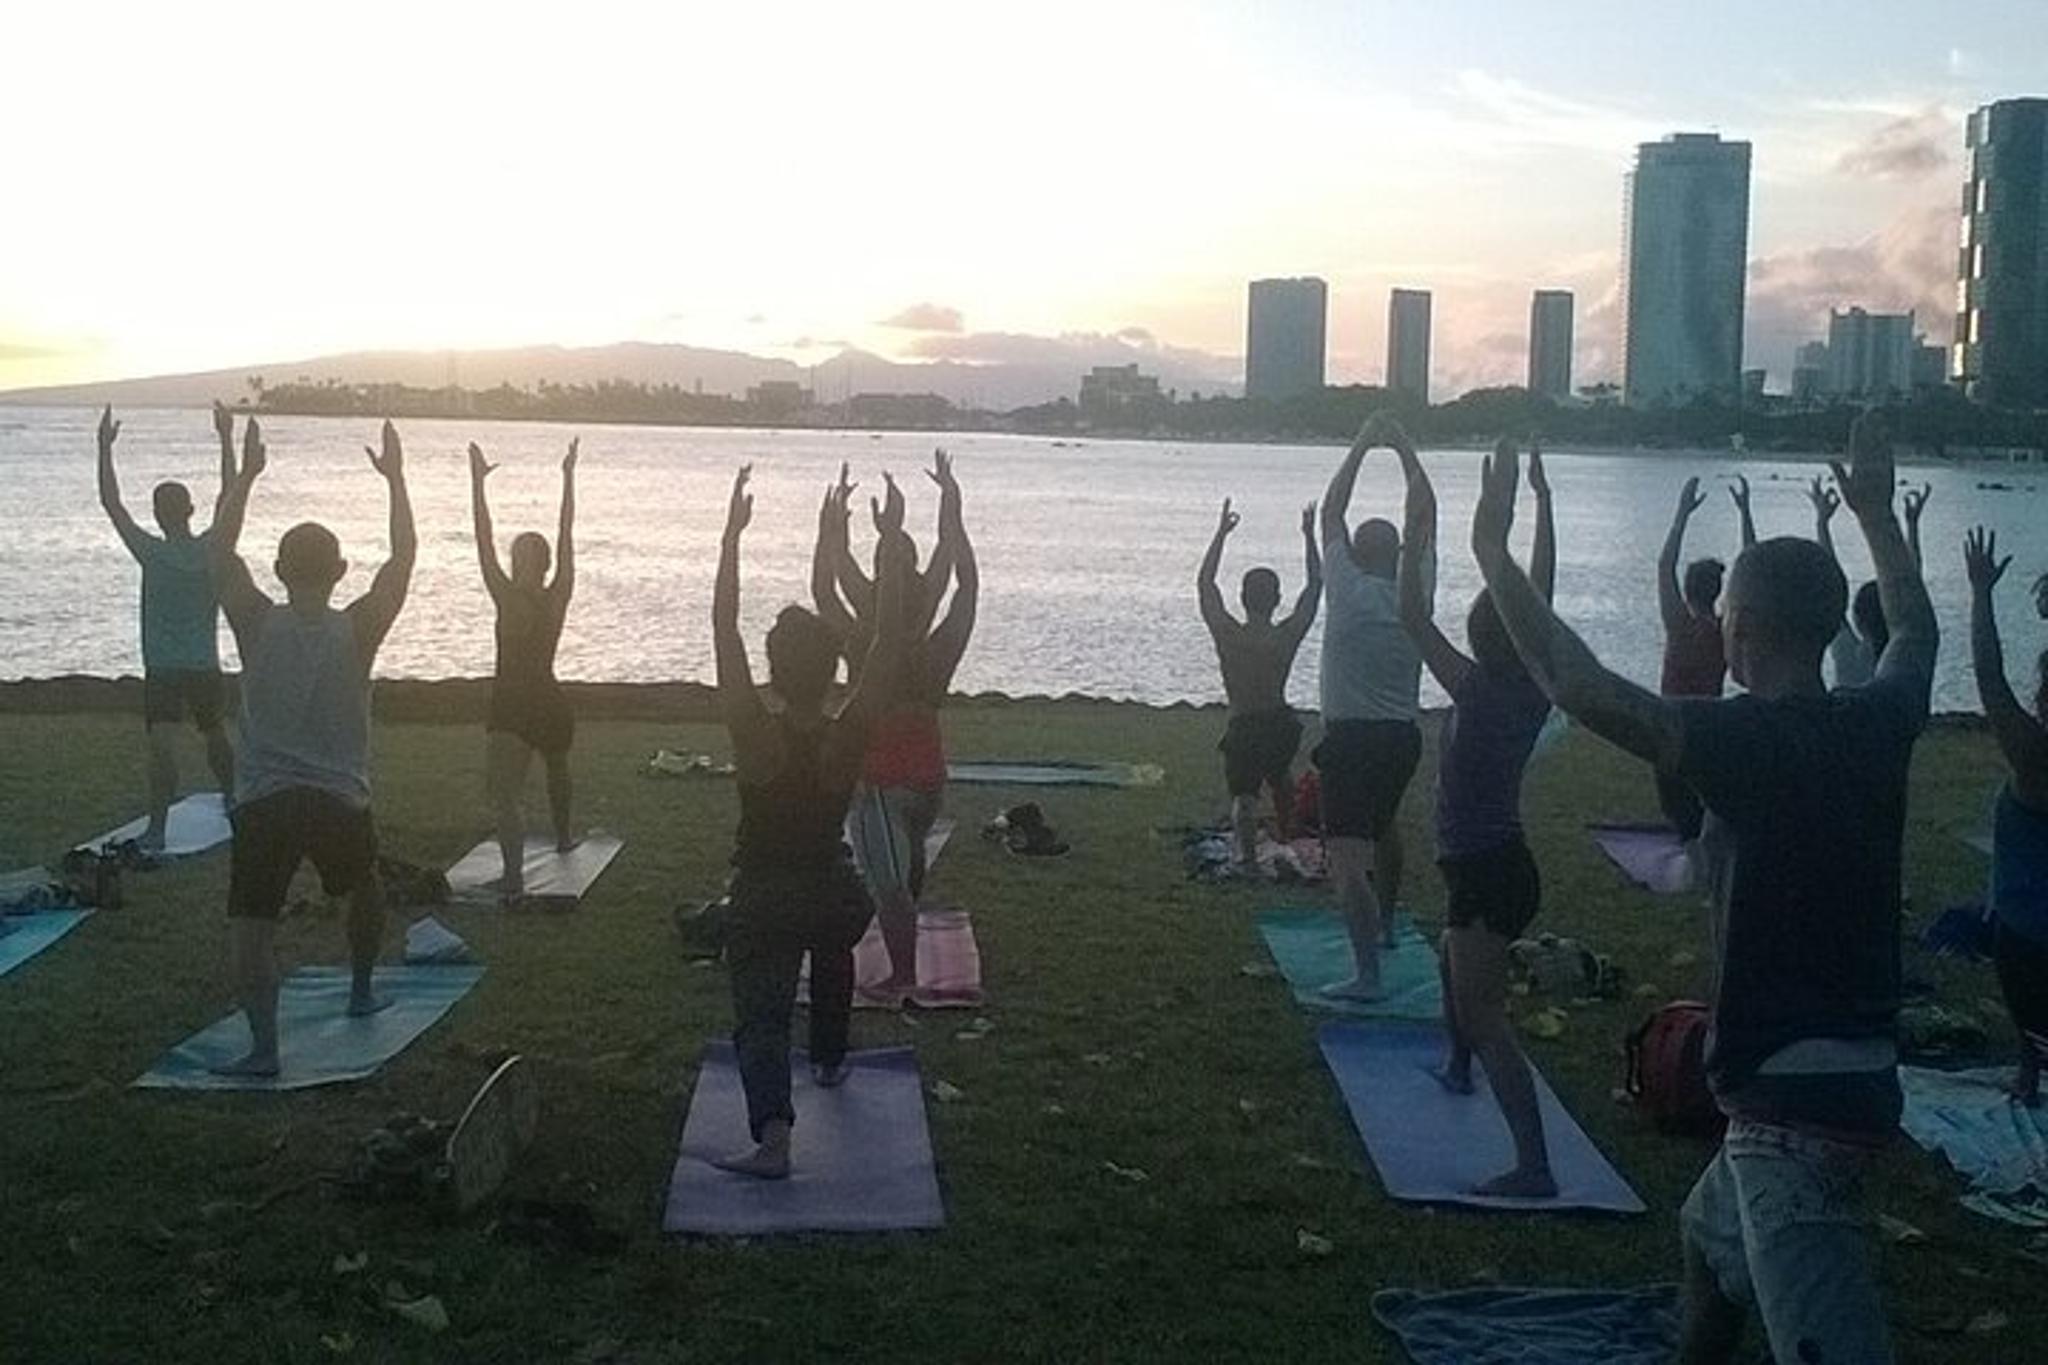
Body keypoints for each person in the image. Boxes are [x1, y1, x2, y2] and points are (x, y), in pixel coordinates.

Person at [1469, 412, 1931, 1364]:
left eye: (1724, 617)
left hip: (1790, 1115)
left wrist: (1490, 553)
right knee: (1705, 1238)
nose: (1716, 624)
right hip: (1843, 1084)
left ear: (1744, 630)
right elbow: (1915, 630)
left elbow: (1578, 683)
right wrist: (1880, 521)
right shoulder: (1878, 718)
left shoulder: (1748, 740)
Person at [204, 420, 419, 1076]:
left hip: (267, 798)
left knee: (252, 924)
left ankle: (265, 1049)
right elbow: (403, 559)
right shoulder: (357, 627)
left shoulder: (254, 618)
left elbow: (217, 548)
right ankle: (359, 989)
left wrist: (244, 478)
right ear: (339, 571)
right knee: (365, 886)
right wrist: (396, 480)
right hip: (337, 798)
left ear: (277, 569)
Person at [713, 466, 911, 1177]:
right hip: (832, 893)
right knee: (831, 946)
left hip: (766, 896)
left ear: (773, 667)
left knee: (760, 1017)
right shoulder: (847, 730)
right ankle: (828, 1060)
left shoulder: (751, 729)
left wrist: (732, 537)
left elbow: (723, 624)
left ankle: (774, 1138)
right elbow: (886, 642)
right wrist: (888, 549)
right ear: (831, 668)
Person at [1396, 438, 1557, 1197]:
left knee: (1487, 1014)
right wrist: (1530, 507)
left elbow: (1409, 612)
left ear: (1481, 640)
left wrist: (1414, 532)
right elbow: (1540, 598)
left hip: (1489, 872)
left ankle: (1535, 1166)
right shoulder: (1534, 685)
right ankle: (1458, 1066)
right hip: (1496, 864)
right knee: (1448, 969)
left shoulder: (1476, 688)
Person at [812, 452, 977, 1001]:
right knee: (906, 866)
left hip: (881, 780)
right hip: (929, 778)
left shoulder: (866, 641)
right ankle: (902, 950)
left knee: (888, 885)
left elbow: (825, 584)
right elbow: (962, 581)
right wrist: (950, 506)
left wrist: (831, 526)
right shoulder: (936, 644)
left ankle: (903, 975)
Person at [1313, 412, 1432, 1000]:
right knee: (1383, 826)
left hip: (1352, 741)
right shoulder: (1417, 589)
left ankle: (1368, 975)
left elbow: (1332, 511)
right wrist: (1405, 448)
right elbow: (1425, 515)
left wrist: (1361, 443)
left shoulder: (1348, 587)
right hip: (1402, 739)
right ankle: (1385, 928)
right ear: (1401, 555)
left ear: (1358, 555)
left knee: (1346, 859)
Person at [95, 403, 245, 851]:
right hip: (201, 665)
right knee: (215, 736)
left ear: (159, 515)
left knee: (163, 748)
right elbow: (232, 494)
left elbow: (111, 503)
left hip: (164, 668)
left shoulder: (151, 551)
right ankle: (236, 806)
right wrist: (225, 438)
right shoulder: (211, 549)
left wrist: (103, 448)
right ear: (191, 510)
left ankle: (158, 829)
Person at [469, 438, 580, 901]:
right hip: (550, 701)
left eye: (518, 557)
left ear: (521, 563)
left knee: (504, 795)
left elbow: (482, 537)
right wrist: (568, 478)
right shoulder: (557, 595)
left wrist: (477, 484)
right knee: (556, 769)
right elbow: (566, 535)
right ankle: (562, 837)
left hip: (514, 703)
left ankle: (514, 876)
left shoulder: (506, 593)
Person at [1964, 525, 2048, 1106]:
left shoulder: (2033, 757)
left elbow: (1990, 676)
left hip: (2026, 933)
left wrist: (1981, 594)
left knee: (2030, 1003)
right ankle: (2029, 1066)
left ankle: (2028, 1071)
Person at [1197, 497, 1321, 868]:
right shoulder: (1285, 636)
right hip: (1280, 725)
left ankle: (1248, 859)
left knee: (1245, 798)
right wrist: (1309, 538)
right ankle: (1288, 838)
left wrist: (1221, 534)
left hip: (1245, 724)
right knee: (1280, 777)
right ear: (1277, 600)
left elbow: (1205, 584)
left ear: (1242, 598)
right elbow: (1315, 587)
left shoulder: (1228, 634)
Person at [1654, 478, 1726, 842]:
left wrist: (1682, 513)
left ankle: (1696, 858)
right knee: (1704, 804)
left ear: (1688, 590)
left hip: (1672, 726)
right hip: (1711, 725)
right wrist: (1744, 513)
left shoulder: (1680, 627)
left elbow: (1665, 564)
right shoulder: (1727, 630)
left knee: (1679, 808)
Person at [1813, 476, 1928, 688]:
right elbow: (1911, 587)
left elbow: (1829, 580)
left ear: (1858, 618)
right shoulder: (1904, 653)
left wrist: (1822, 522)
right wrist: (1912, 526)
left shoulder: (1848, 653)